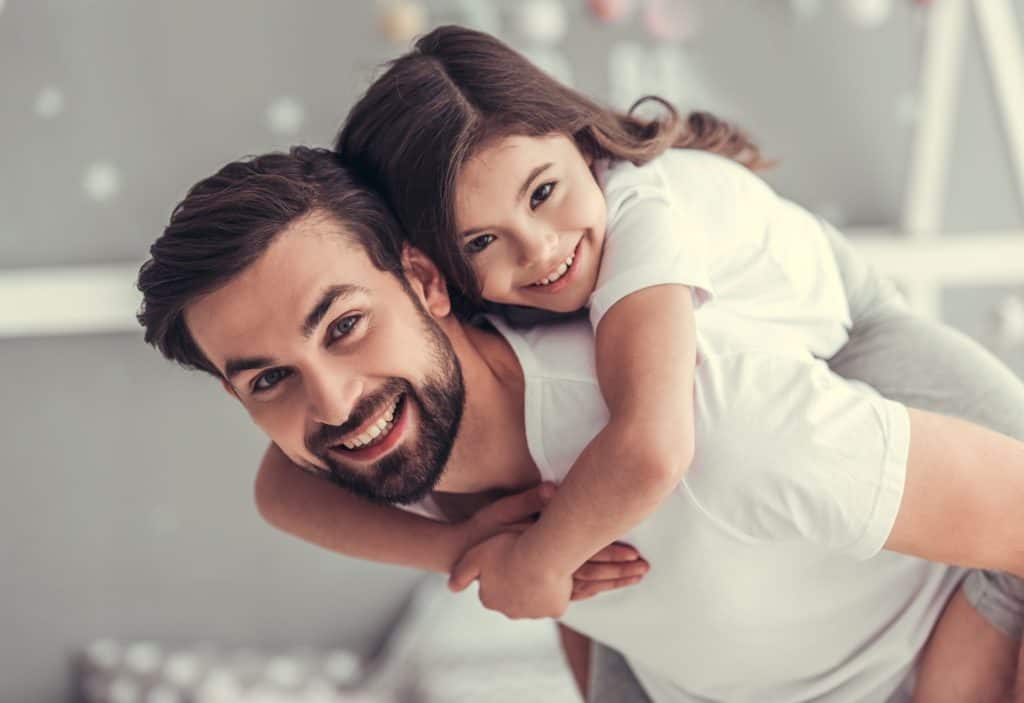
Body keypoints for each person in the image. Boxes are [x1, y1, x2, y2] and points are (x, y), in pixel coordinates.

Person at [137, 147, 1024, 702]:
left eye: (344, 325)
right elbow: (276, 490)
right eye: (268, 380)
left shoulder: (713, 416)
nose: (331, 403)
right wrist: (466, 551)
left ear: (425, 280)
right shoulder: (391, 458)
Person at [334, 24, 1024, 701]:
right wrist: (462, 546)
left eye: (543, 193)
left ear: (577, 142)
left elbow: (652, 442)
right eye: (482, 240)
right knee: (578, 517)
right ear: (438, 272)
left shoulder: (642, 212)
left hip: (851, 326)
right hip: (695, 610)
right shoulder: (512, 312)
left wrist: (535, 563)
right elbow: (280, 488)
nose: (539, 250)